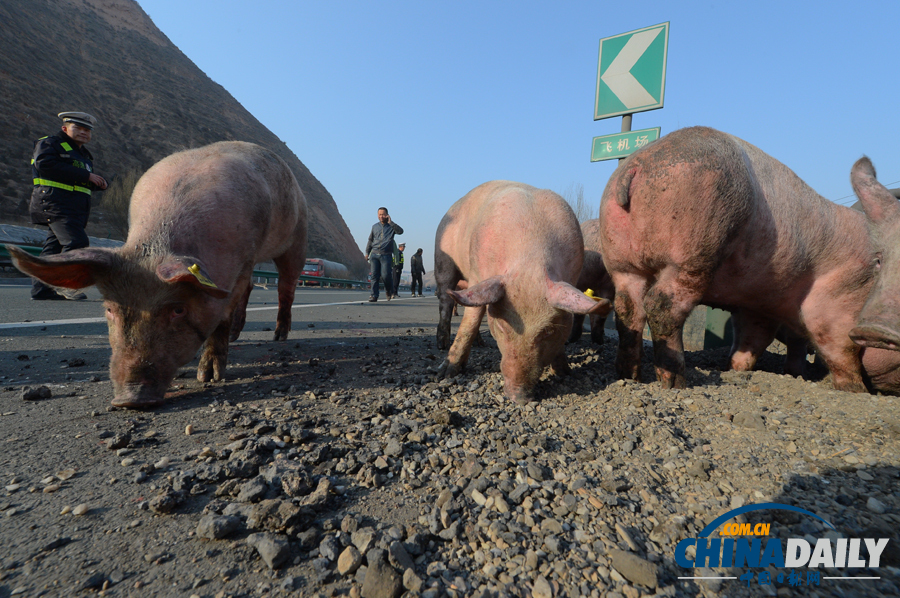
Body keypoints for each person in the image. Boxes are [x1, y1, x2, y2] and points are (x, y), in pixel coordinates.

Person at [29, 111, 108, 300]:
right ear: (64, 128)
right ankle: (67, 287)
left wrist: (96, 183)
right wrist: (86, 176)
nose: (83, 132)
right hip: (55, 204)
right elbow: (45, 165)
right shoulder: (50, 143)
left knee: (53, 248)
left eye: (87, 130)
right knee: (76, 242)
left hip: (74, 208)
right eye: (78, 128)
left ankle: (41, 290)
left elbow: (73, 179)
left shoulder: (83, 155)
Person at [364, 207, 403, 302]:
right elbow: (370, 240)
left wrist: (391, 222)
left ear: (387, 215)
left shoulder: (391, 227)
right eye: (379, 214)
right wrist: (367, 253)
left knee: (386, 275)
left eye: (383, 214)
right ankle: (374, 295)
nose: (381, 216)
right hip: (374, 254)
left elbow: (401, 231)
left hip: (386, 255)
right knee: (374, 276)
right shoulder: (374, 227)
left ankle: (388, 291)